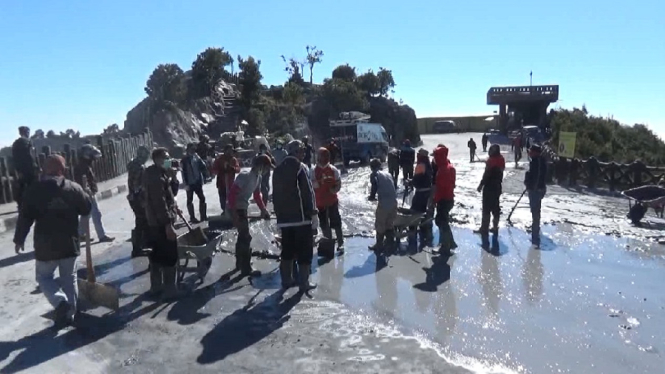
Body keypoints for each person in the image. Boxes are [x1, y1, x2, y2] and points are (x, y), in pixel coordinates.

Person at [13, 154, 92, 326]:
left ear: (44, 169)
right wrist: (86, 194)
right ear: (63, 170)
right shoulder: (74, 188)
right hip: (70, 244)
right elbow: (87, 208)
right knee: (69, 278)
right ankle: (70, 313)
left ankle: (60, 303)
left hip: (45, 246)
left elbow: (25, 216)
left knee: (44, 278)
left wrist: (19, 239)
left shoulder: (34, 190)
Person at [273, 140, 318, 291]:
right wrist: (313, 214)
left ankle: (286, 280)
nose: (304, 154)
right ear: (296, 152)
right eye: (302, 151)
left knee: (288, 251)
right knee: (304, 252)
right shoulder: (300, 167)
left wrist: (279, 218)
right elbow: (308, 192)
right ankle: (304, 283)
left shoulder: (277, 170)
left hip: (284, 221)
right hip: (301, 220)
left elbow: (275, 196)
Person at [144, 148, 181, 299]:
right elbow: (159, 203)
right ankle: (169, 290)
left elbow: (170, 195)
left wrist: (174, 178)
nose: (168, 159)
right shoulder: (155, 177)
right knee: (169, 255)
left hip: (156, 221)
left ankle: (156, 287)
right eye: (165, 157)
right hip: (160, 223)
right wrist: (168, 224)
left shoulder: (160, 173)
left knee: (157, 255)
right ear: (157, 159)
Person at [227, 155, 272, 277]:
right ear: (260, 166)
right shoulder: (245, 175)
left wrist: (263, 210)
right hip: (236, 207)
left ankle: (239, 263)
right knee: (246, 236)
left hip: (243, 207)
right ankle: (246, 268)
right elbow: (232, 194)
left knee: (242, 236)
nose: (268, 170)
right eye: (267, 167)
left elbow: (257, 196)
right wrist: (234, 213)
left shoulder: (258, 177)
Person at [74, 144, 114, 243]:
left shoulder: (84, 166)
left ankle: (79, 234)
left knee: (86, 215)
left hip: (86, 193)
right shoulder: (82, 167)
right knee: (96, 214)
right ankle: (102, 236)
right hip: (87, 194)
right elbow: (83, 181)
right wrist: (88, 191)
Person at [311, 147, 344, 251]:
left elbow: (338, 184)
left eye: (326, 156)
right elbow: (311, 186)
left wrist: (334, 189)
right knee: (324, 225)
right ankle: (329, 244)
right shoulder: (313, 171)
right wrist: (320, 182)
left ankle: (340, 243)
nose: (325, 158)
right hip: (320, 203)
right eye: (323, 156)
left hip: (332, 202)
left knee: (337, 223)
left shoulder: (333, 170)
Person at [126, 145, 151, 257]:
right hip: (138, 198)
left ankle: (140, 245)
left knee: (141, 221)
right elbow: (137, 184)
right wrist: (142, 197)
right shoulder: (139, 167)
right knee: (141, 222)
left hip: (135, 197)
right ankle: (137, 248)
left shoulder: (134, 164)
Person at [432, 145, 457, 255]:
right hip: (449, 198)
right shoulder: (449, 167)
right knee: (444, 221)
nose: (435, 159)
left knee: (441, 221)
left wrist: (434, 200)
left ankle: (445, 246)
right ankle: (450, 242)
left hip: (444, 199)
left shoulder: (443, 170)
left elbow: (441, 189)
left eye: (436, 156)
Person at [368, 158, 397, 251]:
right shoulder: (388, 174)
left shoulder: (374, 174)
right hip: (394, 202)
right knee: (389, 223)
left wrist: (372, 196)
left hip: (384, 203)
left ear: (371, 167)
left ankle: (379, 245)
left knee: (380, 224)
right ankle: (390, 243)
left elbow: (374, 185)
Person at [476, 144, 505, 235]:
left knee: (486, 208)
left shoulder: (491, 161)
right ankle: (495, 227)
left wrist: (481, 185)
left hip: (489, 187)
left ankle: (484, 228)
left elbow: (486, 175)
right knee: (496, 207)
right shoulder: (501, 159)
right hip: (497, 186)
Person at [407, 149, 434, 247]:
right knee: (424, 212)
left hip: (420, 193)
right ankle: (425, 232)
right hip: (428, 192)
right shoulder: (429, 165)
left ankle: (412, 232)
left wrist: (410, 182)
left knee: (414, 212)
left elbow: (416, 180)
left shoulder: (420, 165)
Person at [525, 144, 547, 247]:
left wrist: (532, 187)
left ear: (535, 152)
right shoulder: (538, 161)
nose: (529, 152)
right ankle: (535, 228)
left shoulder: (537, 162)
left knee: (535, 210)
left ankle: (535, 233)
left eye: (531, 151)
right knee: (535, 209)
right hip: (538, 189)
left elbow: (537, 176)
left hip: (536, 190)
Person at [181, 143, 209, 223]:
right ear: (188, 149)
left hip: (197, 181)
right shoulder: (184, 159)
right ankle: (192, 217)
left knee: (202, 198)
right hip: (189, 182)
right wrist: (185, 184)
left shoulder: (196, 157)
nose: (193, 151)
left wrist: (199, 159)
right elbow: (183, 172)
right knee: (190, 200)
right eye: (192, 149)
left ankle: (203, 216)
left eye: (194, 149)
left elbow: (203, 167)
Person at [12, 126, 38, 209]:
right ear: (25, 132)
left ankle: (21, 203)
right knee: (33, 185)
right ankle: (33, 203)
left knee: (22, 185)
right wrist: (35, 166)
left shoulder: (16, 143)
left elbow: (14, 157)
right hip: (29, 167)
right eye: (27, 132)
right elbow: (30, 155)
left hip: (20, 168)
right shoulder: (27, 142)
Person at [211, 144, 240, 214]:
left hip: (231, 183)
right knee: (222, 197)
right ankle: (224, 210)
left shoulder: (233, 160)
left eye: (231, 150)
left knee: (231, 197)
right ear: (225, 151)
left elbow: (238, 169)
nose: (230, 152)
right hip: (221, 182)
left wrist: (232, 168)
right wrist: (220, 170)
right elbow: (214, 170)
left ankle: (231, 210)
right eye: (228, 150)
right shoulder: (219, 159)